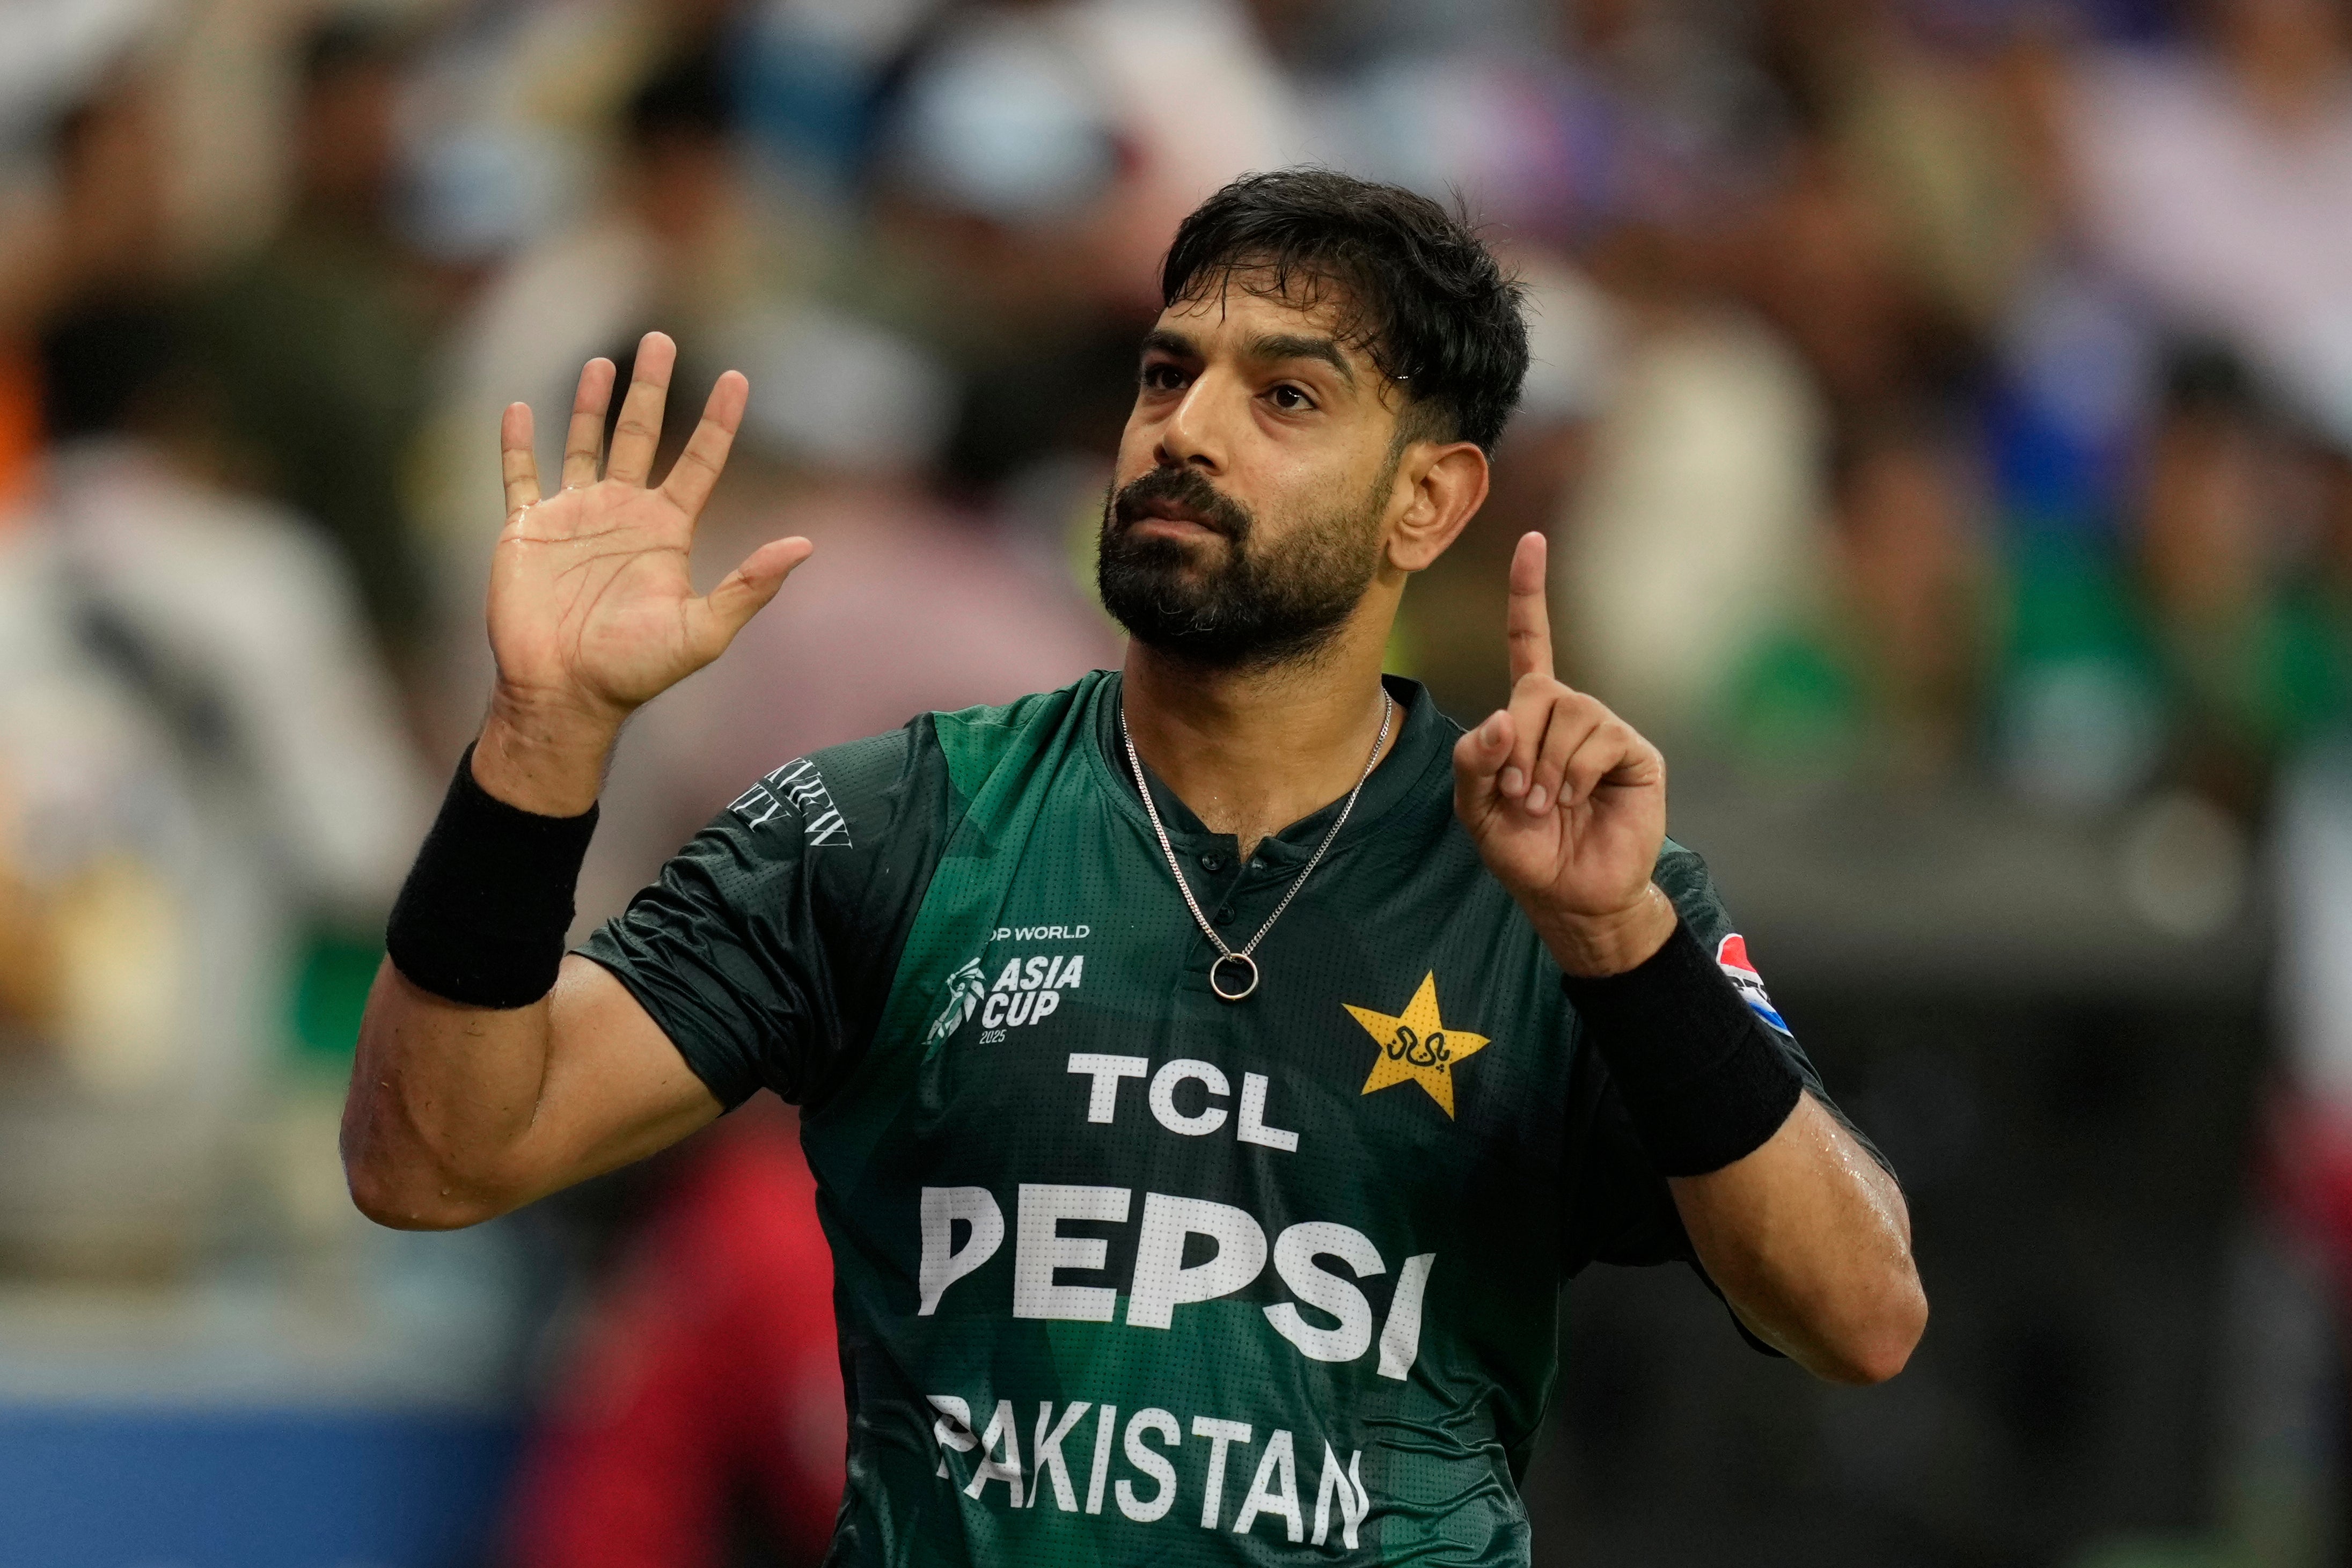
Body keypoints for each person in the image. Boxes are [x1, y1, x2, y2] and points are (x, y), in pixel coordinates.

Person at [343, 170, 1925, 1564]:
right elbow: (433, 1158)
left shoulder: (1562, 889)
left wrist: (1624, 939)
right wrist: (540, 738)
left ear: (1428, 502)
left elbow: (1862, 1314)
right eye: (1169, 374)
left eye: (1286, 397)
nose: (1186, 428)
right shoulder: (901, 825)